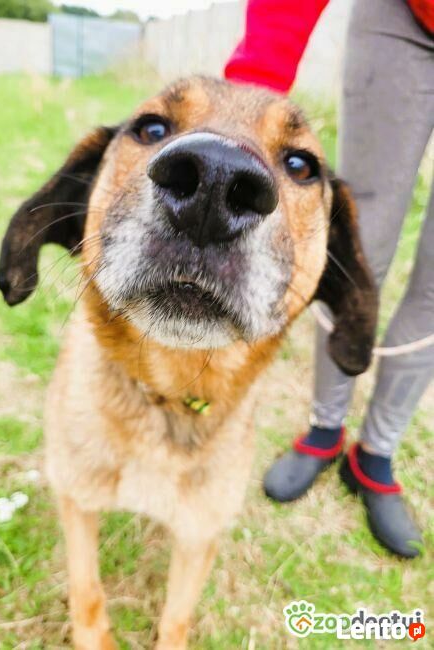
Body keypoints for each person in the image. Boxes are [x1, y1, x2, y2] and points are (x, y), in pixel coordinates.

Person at [225, 0, 434, 558]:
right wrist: (254, 86)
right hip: (404, 19)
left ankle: (376, 455)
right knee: (357, 242)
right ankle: (324, 429)